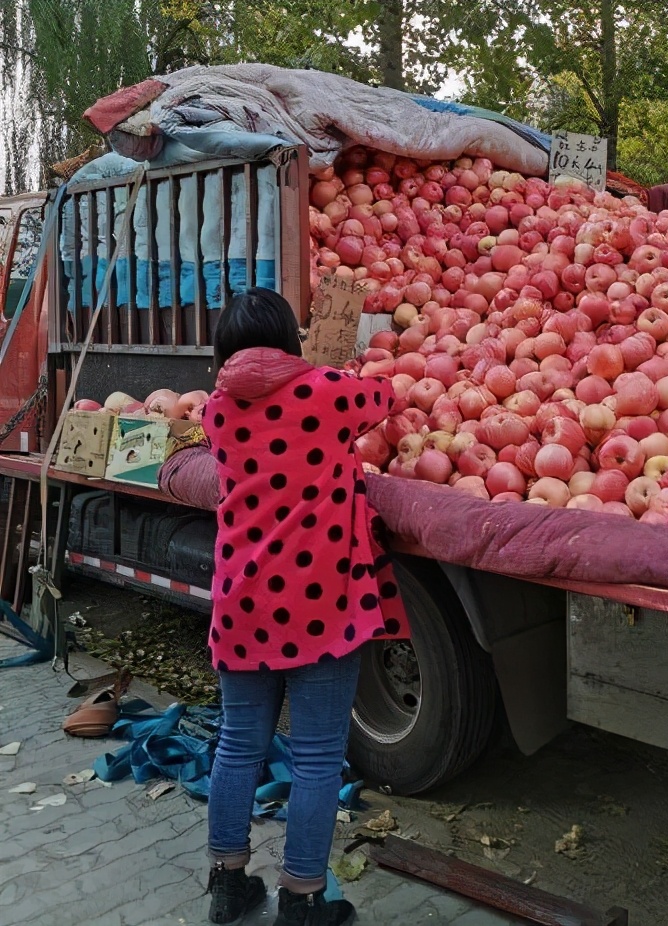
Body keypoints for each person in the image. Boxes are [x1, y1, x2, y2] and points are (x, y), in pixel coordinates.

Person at [201, 288, 401, 926]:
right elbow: (386, 397)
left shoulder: (216, 411)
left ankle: (228, 888)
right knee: (316, 757)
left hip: (241, 601)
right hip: (320, 606)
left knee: (237, 746)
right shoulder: (330, 393)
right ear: (291, 337)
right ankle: (303, 897)